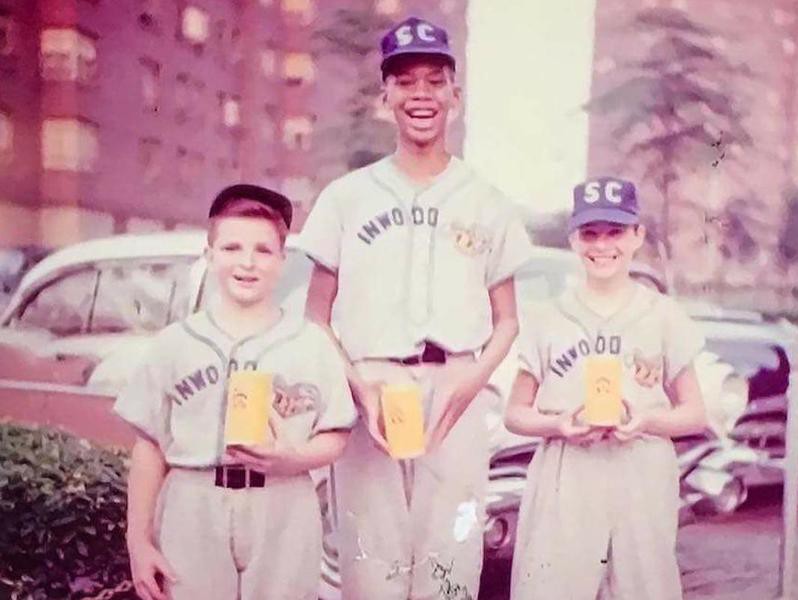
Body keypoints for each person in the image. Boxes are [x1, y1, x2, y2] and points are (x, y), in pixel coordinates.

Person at [297, 16, 532, 600]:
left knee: (449, 566)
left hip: (454, 383)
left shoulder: (486, 201)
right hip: (370, 388)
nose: (419, 95)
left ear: (456, 95)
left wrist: (474, 377)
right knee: (370, 565)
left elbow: (508, 320)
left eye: (434, 81)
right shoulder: (347, 197)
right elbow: (314, 317)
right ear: (385, 98)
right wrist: (356, 385)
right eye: (404, 82)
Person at [115, 184, 357, 600]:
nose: (247, 263)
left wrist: (296, 458)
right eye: (231, 248)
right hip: (195, 500)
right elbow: (149, 446)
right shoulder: (175, 343)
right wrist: (138, 541)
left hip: (282, 502)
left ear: (282, 260)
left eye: (263, 250)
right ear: (209, 256)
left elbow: (336, 434)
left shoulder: (311, 343)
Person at [505, 177, 707, 600]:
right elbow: (515, 413)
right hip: (569, 465)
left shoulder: (662, 314)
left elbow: (695, 413)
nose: (602, 246)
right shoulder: (548, 316)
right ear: (574, 240)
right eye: (590, 234)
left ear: (637, 235)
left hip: (641, 462)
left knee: (643, 584)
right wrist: (559, 423)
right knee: (554, 584)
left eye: (615, 232)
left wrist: (647, 419)